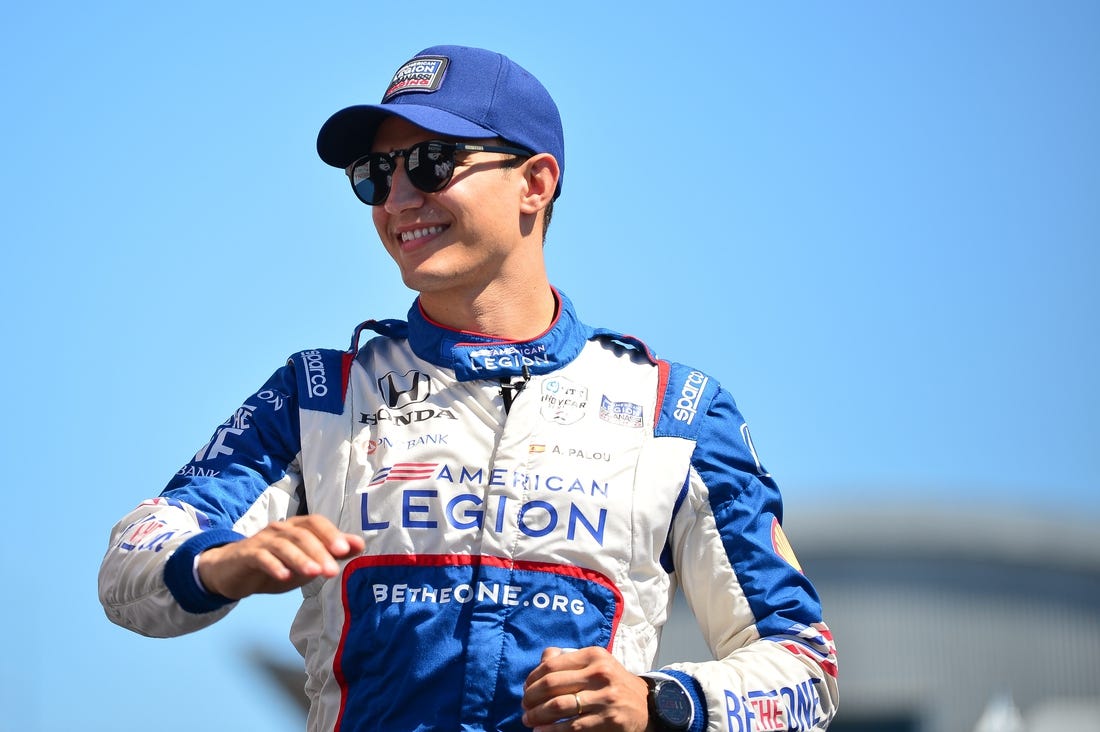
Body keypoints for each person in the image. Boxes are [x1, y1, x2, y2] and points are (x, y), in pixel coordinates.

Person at [98, 45, 839, 732]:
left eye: (429, 162)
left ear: (535, 183)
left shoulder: (673, 413)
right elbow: (129, 563)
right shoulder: (320, 394)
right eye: (373, 176)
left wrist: (660, 703)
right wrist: (219, 563)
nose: (395, 199)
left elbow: (805, 668)